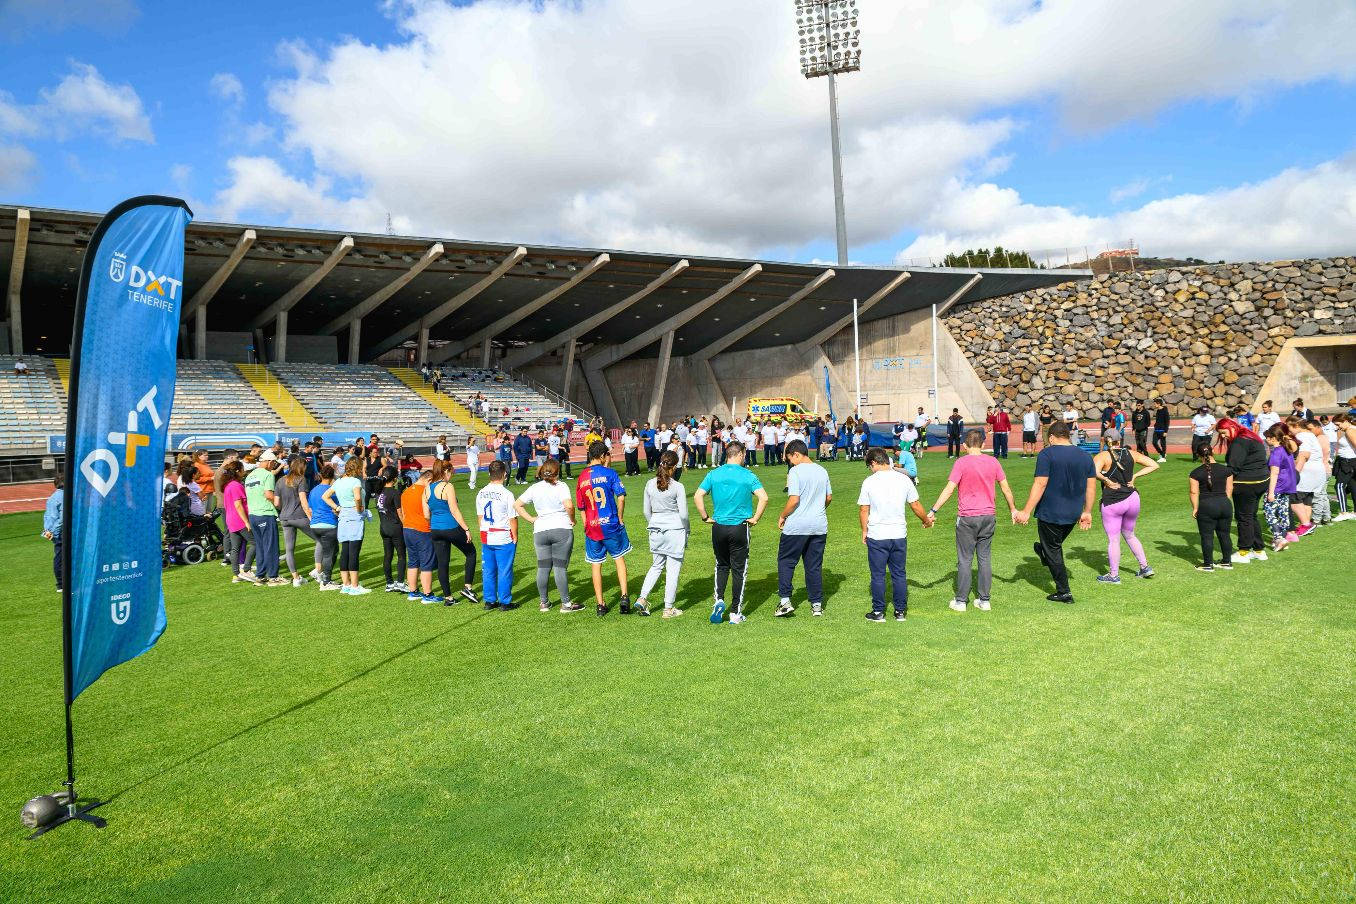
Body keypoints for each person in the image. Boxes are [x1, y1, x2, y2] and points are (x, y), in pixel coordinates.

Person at [927, 428, 1016, 612]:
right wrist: (1013, 509)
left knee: (965, 559)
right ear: (983, 444)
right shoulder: (993, 462)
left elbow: (949, 489)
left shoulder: (961, 463)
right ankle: (984, 600)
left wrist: (934, 509)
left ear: (964, 445)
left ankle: (961, 601)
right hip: (988, 516)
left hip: (967, 517)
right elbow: (1006, 488)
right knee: (984, 558)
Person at [1014, 422, 1096, 603]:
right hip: (1073, 513)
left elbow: (1040, 483)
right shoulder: (1085, 456)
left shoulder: (1046, 454)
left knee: (1053, 550)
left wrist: (1026, 511)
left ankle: (1064, 591)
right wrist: (1087, 511)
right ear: (1067, 435)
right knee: (1052, 546)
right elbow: (1091, 487)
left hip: (1050, 511)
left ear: (1051, 437)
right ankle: (1043, 551)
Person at [694, 440, 768, 624]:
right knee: (739, 569)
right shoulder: (748, 475)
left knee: (721, 565)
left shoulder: (713, 474)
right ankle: (735, 612)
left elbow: (698, 495)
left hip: (718, 527)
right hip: (739, 527)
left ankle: (719, 600)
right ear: (741, 454)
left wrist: (705, 517)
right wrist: (755, 518)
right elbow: (763, 497)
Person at [858, 447, 933, 621]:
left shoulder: (869, 481)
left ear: (874, 462)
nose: (871, 469)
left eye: (870, 465)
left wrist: (864, 530)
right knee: (899, 573)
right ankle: (900, 611)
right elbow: (915, 505)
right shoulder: (903, 479)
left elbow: (864, 509)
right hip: (898, 533)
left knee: (878, 575)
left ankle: (878, 611)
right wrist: (926, 520)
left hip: (877, 534)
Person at [1091, 429, 1158, 583]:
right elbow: (1153, 465)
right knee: (1130, 534)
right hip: (1133, 498)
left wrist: (1106, 481)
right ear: (1119, 440)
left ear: (1105, 441)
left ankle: (1114, 576)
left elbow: (1093, 471)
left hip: (1113, 501)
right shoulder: (1131, 453)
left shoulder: (1102, 456)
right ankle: (1145, 567)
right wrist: (1135, 476)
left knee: (1114, 539)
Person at [575, 441, 634, 616]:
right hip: (611, 524)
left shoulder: (582, 477)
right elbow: (621, 497)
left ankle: (600, 604)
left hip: (592, 527)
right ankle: (624, 596)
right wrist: (621, 518)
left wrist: (586, 525)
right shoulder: (610, 473)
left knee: (596, 565)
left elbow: (581, 508)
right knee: (619, 559)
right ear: (602, 456)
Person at [514, 458, 580, 613]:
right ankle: (566, 604)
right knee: (559, 567)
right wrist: (572, 519)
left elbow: (517, 504)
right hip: (560, 529)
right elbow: (569, 505)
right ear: (557, 472)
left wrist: (531, 519)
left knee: (543, 567)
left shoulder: (535, 487)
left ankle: (544, 602)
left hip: (540, 530)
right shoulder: (561, 486)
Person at [774, 439, 831, 618]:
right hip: (818, 525)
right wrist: (817, 509)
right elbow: (829, 498)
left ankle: (784, 602)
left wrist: (783, 515)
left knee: (786, 561)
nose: (790, 462)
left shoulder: (795, 472)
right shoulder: (822, 470)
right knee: (813, 565)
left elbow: (794, 500)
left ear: (796, 454)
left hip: (797, 525)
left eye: (790, 458)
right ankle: (816, 605)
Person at [635, 449, 690, 619]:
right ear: (673, 467)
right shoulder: (678, 486)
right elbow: (683, 514)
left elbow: (646, 511)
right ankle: (668, 608)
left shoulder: (649, 484)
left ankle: (643, 598)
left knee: (656, 565)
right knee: (673, 569)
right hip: (674, 529)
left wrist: (654, 522)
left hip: (655, 528)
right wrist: (687, 529)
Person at [1214, 418, 1270, 564]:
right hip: (1261, 480)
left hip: (1247, 483)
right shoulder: (1249, 436)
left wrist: (1219, 479)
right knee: (1251, 516)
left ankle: (1244, 552)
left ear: (1231, 427)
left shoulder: (1240, 441)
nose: (1223, 436)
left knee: (1243, 517)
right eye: (1221, 434)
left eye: (1224, 433)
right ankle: (1259, 550)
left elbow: (1233, 468)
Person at [427, 460, 478, 604]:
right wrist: (466, 529)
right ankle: (468, 587)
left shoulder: (427, 488)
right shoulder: (447, 486)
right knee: (471, 552)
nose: (451, 476)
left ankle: (448, 598)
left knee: (443, 563)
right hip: (450, 527)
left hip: (436, 529)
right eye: (451, 473)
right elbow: (454, 510)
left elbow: (426, 514)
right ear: (446, 472)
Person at [476, 460, 518, 611]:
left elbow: (480, 516)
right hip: (502, 534)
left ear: (489, 474)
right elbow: (512, 518)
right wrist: (515, 536)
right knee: (505, 569)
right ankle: (505, 602)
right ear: (505, 474)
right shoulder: (507, 494)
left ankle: (489, 601)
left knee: (488, 569)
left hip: (486, 533)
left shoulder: (481, 492)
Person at [324, 457, 370, 595]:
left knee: (345, 550)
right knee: (354, 551)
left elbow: (325, 496)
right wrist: (359, 508)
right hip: (354, 516)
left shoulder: (338, 481)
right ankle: (355, 586)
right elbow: (357, 497)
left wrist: (337, 507)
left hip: (343, 515)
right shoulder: (355, 481)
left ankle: (346, 584)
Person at [244, 451, 287, 586]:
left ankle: (260, 575)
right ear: (269, 462)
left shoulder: (250, 476)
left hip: (253, 514)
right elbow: (268, 494)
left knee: (261, 546)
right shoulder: (268, 475)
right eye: (274, 463)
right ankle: (273, 576)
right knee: (271, 546)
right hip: (265, 513)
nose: (274, 466)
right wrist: (281, 503)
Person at [1189, 446, 1235, 571]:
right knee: (1225, 534)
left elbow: (1193, 492)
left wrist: (1195, 508)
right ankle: (1227, 562)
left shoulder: (1195, 473)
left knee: (1207, 536)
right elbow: (1229, 489)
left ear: (1198, 456)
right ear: (1212, 452)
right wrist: (1224, 501)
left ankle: (1208, 564)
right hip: (1225, 504)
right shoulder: (1227, 470)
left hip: (1206, 506)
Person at [277, 457, 319, 588]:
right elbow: (303, 500)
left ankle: (296, 578)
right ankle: (317, 570)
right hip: (299, 517)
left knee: (289, 550)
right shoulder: (301, 479)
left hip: (284, 518)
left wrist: (285, 509)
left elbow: (276, 503)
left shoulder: (280, 481)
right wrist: (311, 517)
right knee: (321, 540)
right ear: (302, 467)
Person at [399, 469, 438, 603]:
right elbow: (429, 512)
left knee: (413, 561)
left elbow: (403, 513)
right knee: (426, 562)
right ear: (429, 480)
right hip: (422, 529)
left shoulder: (406, 491)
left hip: (407, 529)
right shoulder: (426, 492)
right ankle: (428, 594)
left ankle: (413, 591)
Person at [1263, 424, 1299, 551]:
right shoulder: (1286, 449)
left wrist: (1270, 492)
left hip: (1278, 486)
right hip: (1288, 485)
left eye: (1267, 437)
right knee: (1283, 512)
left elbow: (1274, 473)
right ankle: (1282, 537)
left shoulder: (1276, 453)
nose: (1266, 440)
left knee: (1269, 512)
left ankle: (1279, 538)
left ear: (1273, 438)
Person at [1288, 416, 1325, 538]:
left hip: (1307, 471)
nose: (1288, 431)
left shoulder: (1301, 436)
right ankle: (1306, 525)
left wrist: (1295, 473)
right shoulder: (1310, 435)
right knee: (1307, 500)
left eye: (1289, 428)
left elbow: (1304, 455)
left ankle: (1305, 524)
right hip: (1316, 471)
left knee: (1294, 499)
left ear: (1296, 426)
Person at [375, 466, 409, 593]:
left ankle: (389, 583)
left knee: (388, 555)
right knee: (401, 555)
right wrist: (406, 526)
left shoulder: (379, 492)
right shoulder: (394, 493)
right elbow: (400, 514)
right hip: (395, 527)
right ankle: (400, 583)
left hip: (383, 527)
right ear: (394, 478)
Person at [307, 465, 340, 590]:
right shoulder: (332, 490)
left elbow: (310, 508)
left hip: (315, 525)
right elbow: (336, 506)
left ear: (321, 475)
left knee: (333, 551)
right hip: (328, 525)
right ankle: (326, 582)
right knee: (329, 554)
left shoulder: (314, 490)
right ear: (332, 476)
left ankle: (326, 577)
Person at [221, 461, 255, 583]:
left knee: (235, 548)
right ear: (237, 471)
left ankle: (236, 575)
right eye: (242, 469)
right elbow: (238, 505)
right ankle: (246, 569)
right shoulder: (236, 485)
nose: (244, 471)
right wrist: (246, 521)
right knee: (255, 543)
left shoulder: (228, 485)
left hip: (231, 520)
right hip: (239, 520)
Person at [1331, 413, 1356, 521]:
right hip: (1348, 461)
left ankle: (1344, 512)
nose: (1338, 427)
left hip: (1347, 462)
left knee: (1339, 486)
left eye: (1338, 424)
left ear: (1345, 421)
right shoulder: (1350, 429)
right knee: (1353, 486)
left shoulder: (1350, 430)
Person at [41, 473, 63, 592]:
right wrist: (56, 531)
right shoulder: (64, 496)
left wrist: (48, 531)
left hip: (49, 530)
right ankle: (62, 584)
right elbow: (63, 518)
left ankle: (61, 584)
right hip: (59, 531)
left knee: (58, 555)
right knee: (62, 557)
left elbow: (46, 515)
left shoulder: (52, 497)